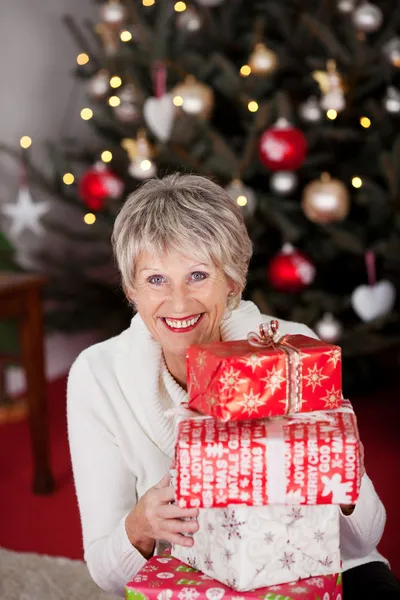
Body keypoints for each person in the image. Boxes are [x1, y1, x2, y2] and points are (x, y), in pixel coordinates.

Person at [67, 173, 400, 599]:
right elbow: (106, 573)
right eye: (155, 280)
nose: (179, 302)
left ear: (232, 283)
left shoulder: (293, 355)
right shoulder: (97, 375)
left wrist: (342, 475)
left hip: (323, 574)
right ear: (131, 288)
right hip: (192, 581)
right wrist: (140, 526)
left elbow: (363, 543)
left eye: (198, 275)